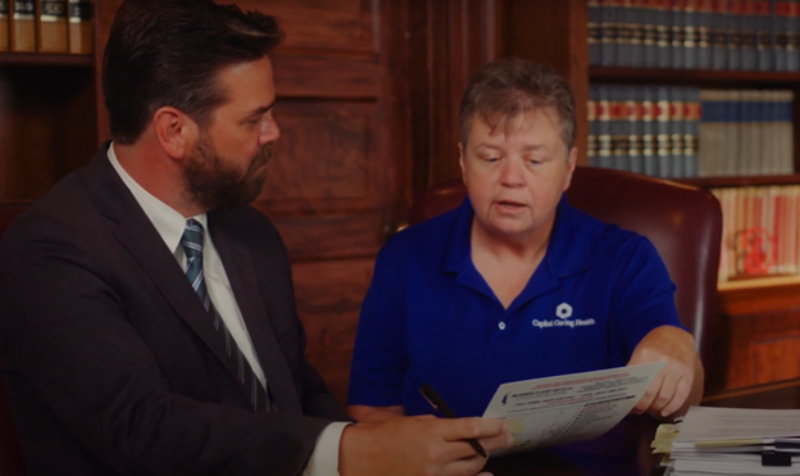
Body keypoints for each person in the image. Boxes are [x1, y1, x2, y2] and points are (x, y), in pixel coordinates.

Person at [0, 1, 511, 475]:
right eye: (253, 119)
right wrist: (353, 452)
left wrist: (375, 454)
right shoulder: (50, 251)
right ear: (174, 131)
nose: (274, 132)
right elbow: (142, 429)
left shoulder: (251, 233)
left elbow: (297, 394)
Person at [347, 58, 704, 425]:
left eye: (534, 160)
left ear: (568, 168)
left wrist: (678, 349)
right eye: (490, 157)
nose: (511, 178)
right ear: (462, 161)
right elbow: (373, 406)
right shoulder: (404, 259)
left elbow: (679, 403)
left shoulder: (626, 259)